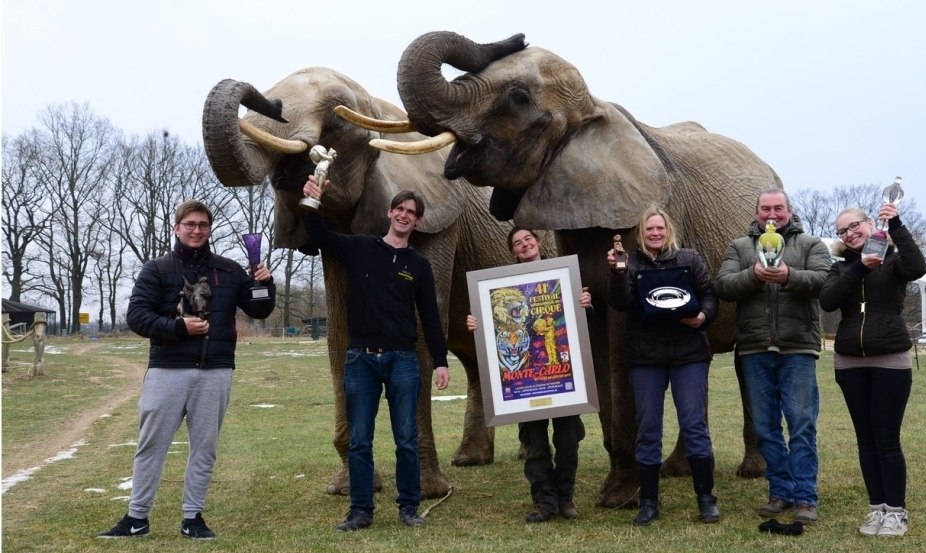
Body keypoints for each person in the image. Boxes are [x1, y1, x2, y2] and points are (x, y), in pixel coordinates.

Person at [99, 200, 276, 539]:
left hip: (215, 370)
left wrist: (264, 283)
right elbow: (137, 317)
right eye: (190, 224)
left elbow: (261, 310)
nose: (197, 230)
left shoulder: (228, 270)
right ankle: (137, 518)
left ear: (210, 229)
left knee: (205, 447)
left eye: (203, 225)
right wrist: (179, 328)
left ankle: (192, 518)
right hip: (167, 369)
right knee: (151, 445)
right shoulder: (157, 269)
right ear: (177, 227)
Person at [300, 177, 450, 532]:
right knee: (360, 439)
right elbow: (321, 237)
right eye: (399, 209)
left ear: (418, 222)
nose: (404, 215)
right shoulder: (361, 248)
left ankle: (409, 507)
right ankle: (361, 510)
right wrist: (312, 202)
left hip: (403, 360)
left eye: (411, 212)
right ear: (389, 213)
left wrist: (441, 360)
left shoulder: (419, 265)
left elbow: (430, 316)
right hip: (361, 360)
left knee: (407, 439)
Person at [714, 188, 831, 525]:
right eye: (765, 208)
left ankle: (806, 496)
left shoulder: (810, 245)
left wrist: (789, 277)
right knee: (765, 429)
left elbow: (825, 282)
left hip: (798, 347)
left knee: (801, 425)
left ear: (789, 211)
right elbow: (723, 285)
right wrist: (753, 275)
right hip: (754, 348)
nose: (771, 214)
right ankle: (780, 491)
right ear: (756, 213)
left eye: (778, 208)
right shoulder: (740, 247)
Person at [465, 227, 591, 523]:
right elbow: (495, 332)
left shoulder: (564, 276)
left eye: (528, 239)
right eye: (517, 243)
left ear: (538, 242)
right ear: (513, 252)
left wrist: (587, 306)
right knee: (534, 444)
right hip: (525, 381)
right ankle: (544, 502)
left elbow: (582, 324)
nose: (524, 245)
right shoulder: (501, 288)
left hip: (562, 378)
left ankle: (565, 497)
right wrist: (477, 322)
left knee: (568, 441)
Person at [605, 205, 720, 525]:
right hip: (646, 357)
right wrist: (616, 274)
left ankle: (706, 499)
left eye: (660, 228)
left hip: (688, 354)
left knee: (695, 425)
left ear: (669, 230)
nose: (655, 233)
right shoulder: (630, 263)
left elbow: (710, 296)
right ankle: (649, 502)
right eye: (649, 229)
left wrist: (703, 317)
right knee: (648, 428)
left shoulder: (690, 259)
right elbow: (620, 303)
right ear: (639, 234)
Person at [819, 203, 926, 537]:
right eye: (843, 231)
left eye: (855, 226)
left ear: (869, 224)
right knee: (865, 439)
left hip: (890, 360)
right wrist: (862, 268)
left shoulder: (895, 262)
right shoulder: (839, 269)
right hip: (850, 362)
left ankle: (896, 511)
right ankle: (875, 508)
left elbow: (918, 266)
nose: (850, 233)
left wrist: (896, 224)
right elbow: (828, 300)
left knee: (887, 439)